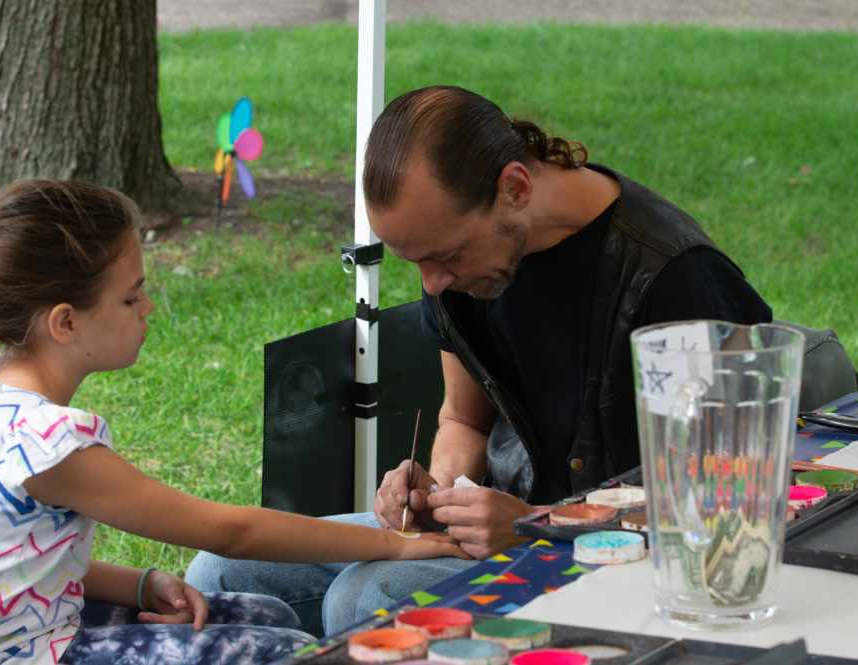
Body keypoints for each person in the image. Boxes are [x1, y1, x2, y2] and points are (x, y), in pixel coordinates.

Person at [185, 85, 774, 636]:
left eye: (444, 255)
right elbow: (464, 420)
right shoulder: (459, 265)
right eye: (415, 261)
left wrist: (534, 524)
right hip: (505, 530)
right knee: (222, 573)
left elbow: (725, 496)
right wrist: (437, 494)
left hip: (625, 558)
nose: (432, 284)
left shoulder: (673, 278)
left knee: (365, 600)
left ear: (514, 188)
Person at [0, 179, 467, 665]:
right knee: (291, 652)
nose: (149, 307)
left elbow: (16, 572)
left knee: (270, 614)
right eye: (131, 297)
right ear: (65, 323)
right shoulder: (43, 443)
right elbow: (231, 533)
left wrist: (140, 584)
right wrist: (392, 545)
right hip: (24, 654)